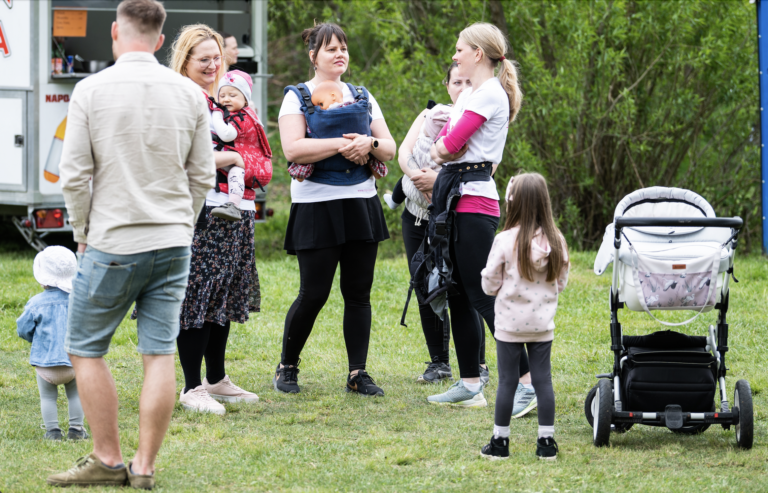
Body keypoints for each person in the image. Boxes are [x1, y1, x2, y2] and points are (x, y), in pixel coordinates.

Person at [50, 0, 215, 488]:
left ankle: (107, 458)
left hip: (113, 241)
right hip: (172, 241)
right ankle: (144, 468)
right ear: (161, 40)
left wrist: (82, 234)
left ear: (115, 34)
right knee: (159, 353)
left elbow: (76, 176)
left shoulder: (91, 89)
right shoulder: (188, 93)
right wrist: (181, 225)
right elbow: (202, 175)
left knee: (84, 347)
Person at [275, 22, 396, 396]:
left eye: (343, 47)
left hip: (361, 201)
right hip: (316, 205)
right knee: (314, 292)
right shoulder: (297, 97)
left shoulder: (363, 95)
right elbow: (293, 149)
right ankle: (287, 366)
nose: (340, 53)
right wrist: (346, 146)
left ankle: (357, 373)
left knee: (359, 293)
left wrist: (369, 141)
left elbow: (388, 147)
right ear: (313, 57)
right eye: (331, 49)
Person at [425, 22, 525, 408]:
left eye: (460, 48)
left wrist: (436, 152)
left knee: (484, 295)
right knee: (458, 295)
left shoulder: (488, 96)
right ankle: (469, 385)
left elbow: (448, 145)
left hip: (473, 203)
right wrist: (441, 149)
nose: (455, 55)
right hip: (456, 199)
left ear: (478, 54)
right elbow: (448, 144)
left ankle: (528, 383)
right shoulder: (473, 93)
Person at [171, 24, 262, 414]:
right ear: (185, 61)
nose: (211, 65)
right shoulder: (183, 96)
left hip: (231, 208)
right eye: (203, 58)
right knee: (200, 295)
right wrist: (236, 158)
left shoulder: (218, 100)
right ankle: (192, 386)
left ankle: (216, 378)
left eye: (216, 58)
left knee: (222, 293)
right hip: (202, 209)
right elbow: (183, 156)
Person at [479, 173, 569, 460]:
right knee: (543, 381)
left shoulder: (504, 240)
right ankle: (546, 444)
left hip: (509, 325)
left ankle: (500, 443)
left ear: (513, 203)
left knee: (507, 381)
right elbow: (561, 282)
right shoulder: (557, 240)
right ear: (545, 202)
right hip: (542, 325)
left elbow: (489, 284)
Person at [393, 63, 469, 383]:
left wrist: (437, 183)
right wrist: (418, 177)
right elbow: (403, 151)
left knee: (460, 289)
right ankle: (438, 362)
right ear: (447, 85)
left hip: (453, 217)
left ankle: (474, 363)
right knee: (425, 284)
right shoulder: (431, 114)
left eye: (469, 81)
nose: (462, 87)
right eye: (456, 82)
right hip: (416, 216)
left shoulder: (475, 122)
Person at [16, 246, 86, 442]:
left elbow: (23, 328)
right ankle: (76, 429)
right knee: (75, 395)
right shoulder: (79, 301)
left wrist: (36, 339)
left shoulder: (36, 303)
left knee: (47, 398)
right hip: (73, 362)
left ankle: (53, 432)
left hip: (45, 364)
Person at [287, 80, 388, 183]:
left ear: (333, 96)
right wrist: (354, 144)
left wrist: (370, 143)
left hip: (364, 191)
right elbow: (292, 151)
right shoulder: (295, 96)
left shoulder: (362, 93)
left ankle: (301, 172)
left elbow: (390, 151)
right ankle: (374, 166)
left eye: (320, 104)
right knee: (371, 158)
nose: (320, 108)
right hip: (316, 192)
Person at [209, 69, 273, 222]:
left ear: (245, 100)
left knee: (236, 172)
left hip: (249, 162)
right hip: (240, 158)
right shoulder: (237, 114)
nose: (226, 100)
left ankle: (233, 205)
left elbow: (226, 134)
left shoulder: (243, 117)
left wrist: (216, 114)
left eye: (232, 95)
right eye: (222, 95)